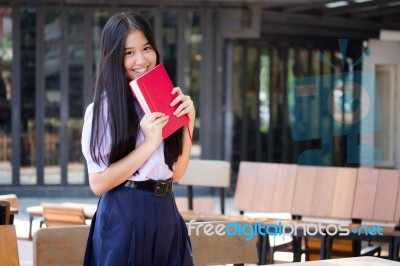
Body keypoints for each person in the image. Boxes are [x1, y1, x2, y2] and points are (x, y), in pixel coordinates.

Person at [81, 12, 195, 266]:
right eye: (128, 52)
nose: (141, 60)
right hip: (124, 211)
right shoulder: (102, 110)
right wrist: (149, 144)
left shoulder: (166, 100)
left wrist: (189, 124)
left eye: (146, 48)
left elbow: (176, 174)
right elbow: (98, 184)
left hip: (166, 209)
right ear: (113, 58)